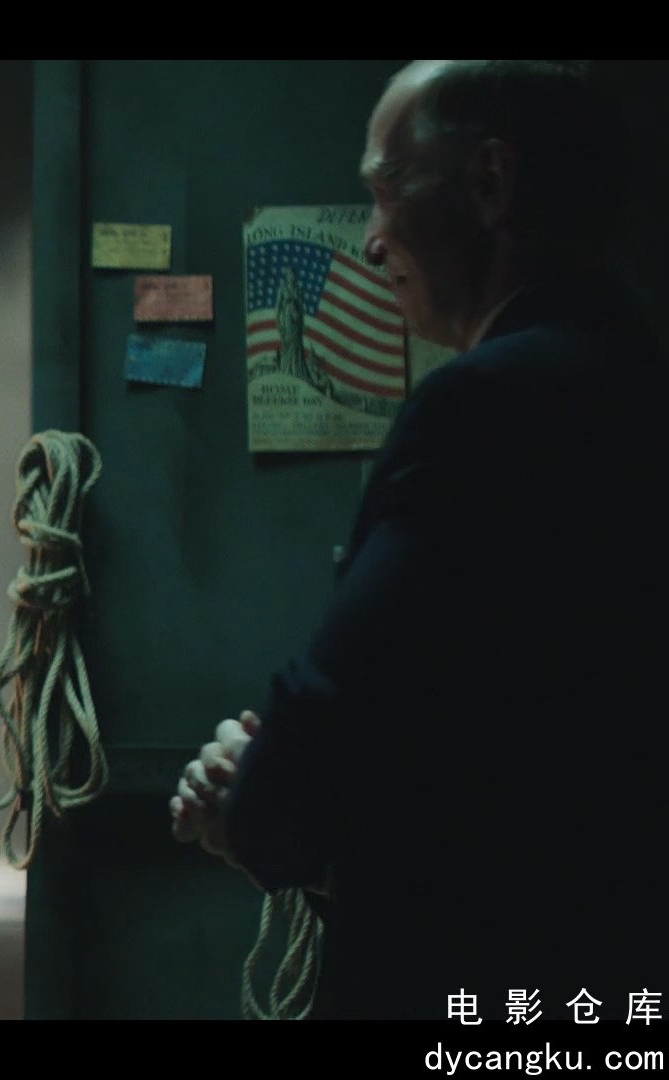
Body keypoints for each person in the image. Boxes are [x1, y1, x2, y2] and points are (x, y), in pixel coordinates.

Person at [170, 60, 669, 1020]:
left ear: (490, 183)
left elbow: (343, 705)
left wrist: (255, 798)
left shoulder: (481, 404)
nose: (369, 243)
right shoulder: (637, 384)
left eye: (385, 190)